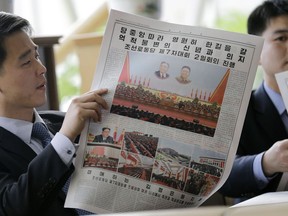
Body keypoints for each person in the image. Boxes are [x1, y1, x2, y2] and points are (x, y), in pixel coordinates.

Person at [0, 12, 108, 215]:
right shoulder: (66, 133)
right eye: (26, 62)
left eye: (37, 56)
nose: (42, 68)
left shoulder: (69, 122)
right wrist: (64, 140)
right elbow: (11, 208)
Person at [219, 0, 288, 203]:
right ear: (256, 52)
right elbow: (221, 176)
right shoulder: (236, 107)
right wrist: (266, 162)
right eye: (282, 38)